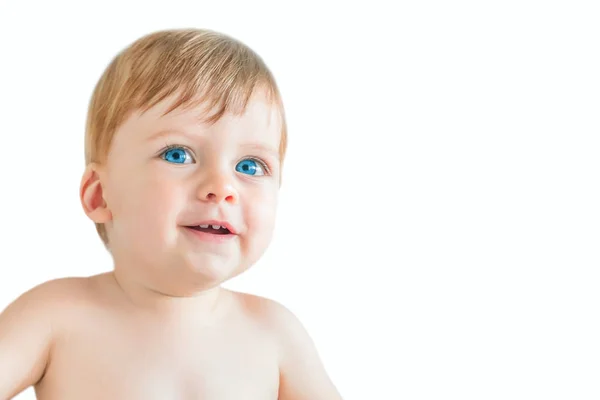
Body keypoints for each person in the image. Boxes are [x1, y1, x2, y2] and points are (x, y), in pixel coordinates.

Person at [0, 28, 342, 400]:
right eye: (178, 154)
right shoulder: (56, 315)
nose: (222, 186)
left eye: (250, 165)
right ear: (100, 195)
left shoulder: (275, 334)